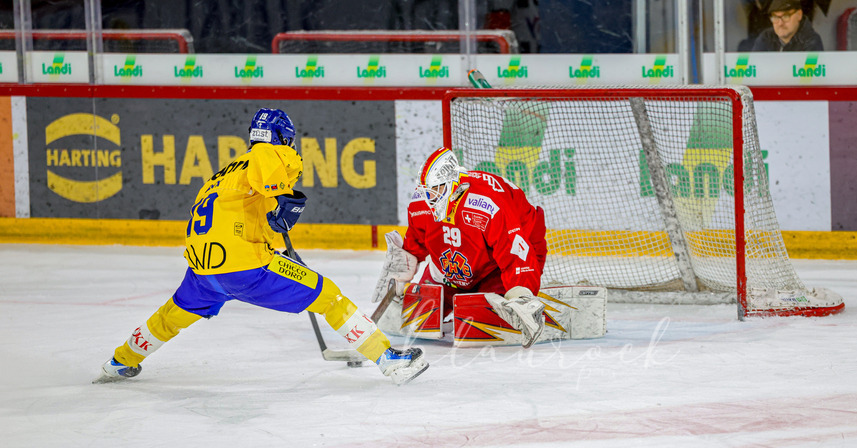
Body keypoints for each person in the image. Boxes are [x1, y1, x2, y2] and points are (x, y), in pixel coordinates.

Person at [98, 107, 428, 386]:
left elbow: (240, 216)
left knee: (170, 316)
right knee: (329, 297)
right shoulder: (266, 153)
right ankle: (388, 360)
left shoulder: (223, 174)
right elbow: (276, 187)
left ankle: (119, 361)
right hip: (244, 268)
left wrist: (272, 230)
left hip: (202, 272)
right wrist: (287, 203)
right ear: (282, 138)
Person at [372, 147, 549, 346]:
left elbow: (515, 251)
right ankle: (463, 293)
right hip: (460, 261)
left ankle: (520, 294)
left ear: (453, 184)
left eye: (436, 189)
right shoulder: (421, 204)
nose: (430, 198)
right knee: (422, 309)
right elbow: (416, 242)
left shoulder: (486, 204)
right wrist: (399, 275)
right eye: (426, 190)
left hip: (504, 260)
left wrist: (522, 295)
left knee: (490, 310)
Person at [751, 0, 823, 52]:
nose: (780, 23)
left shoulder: (811, 41)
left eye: (786, 16)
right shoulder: (766, 37)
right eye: (775, 17)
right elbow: (755, 67)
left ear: (799, 14)